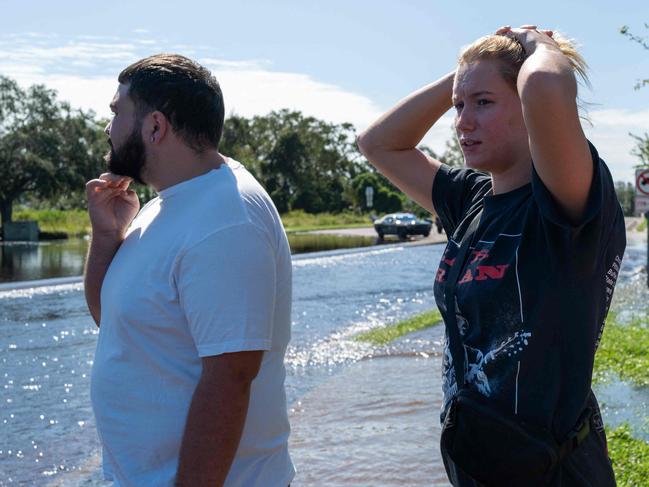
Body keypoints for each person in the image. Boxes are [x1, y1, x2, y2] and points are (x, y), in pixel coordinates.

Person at [357, 25, 624, 486]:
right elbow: (377, 144)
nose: (461, 121)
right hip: (480, 461)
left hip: (553, 470)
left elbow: (544, 85)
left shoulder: (565, 200)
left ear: (527, 106)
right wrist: (463, 79)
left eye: (483, 103)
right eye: (460, 107)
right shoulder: (471, 198)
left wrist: (537, 46)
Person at [84, 54, 295, 487]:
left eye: (115, 112)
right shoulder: (168, 202)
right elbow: (113, 321)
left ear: (155, 127)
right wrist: (107, 236)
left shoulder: (227, 219)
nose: (108, 128)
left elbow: (230, 379)